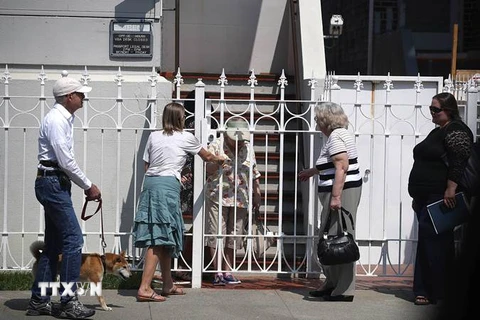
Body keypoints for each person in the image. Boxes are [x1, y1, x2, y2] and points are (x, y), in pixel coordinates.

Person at [133, 102, 227, 302]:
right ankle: (145, 288)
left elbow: (147, 164)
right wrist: (220, 159)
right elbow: (206, 156)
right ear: (180, 118)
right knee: (158, 238)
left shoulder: (154, 136)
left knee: (165, 237)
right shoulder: (186, 137)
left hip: (150, 182)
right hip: (167, 186)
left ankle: (167, 284)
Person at [27, 77, 101, 319]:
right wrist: (88, 185)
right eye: (80, 94)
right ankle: (68, 302)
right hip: (52, 181)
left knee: (54, 246)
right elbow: (65, 160)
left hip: (53, 181)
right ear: (69, 96)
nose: (83, 98)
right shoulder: (58, 120)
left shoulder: (62, 118)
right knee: (73, 240)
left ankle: (39, 301)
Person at [407, 92, 473, 307]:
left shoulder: (457, 130)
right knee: (434, 243)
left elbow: (459, 160)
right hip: (426, 196)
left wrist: (450, 189)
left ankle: (427, 290)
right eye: (431, 109)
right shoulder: (439, 131)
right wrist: (418, 196)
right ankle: (441, 290)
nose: (432, 113)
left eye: (436, 110)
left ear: (450, 111)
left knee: (432, 243)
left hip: (440, 197)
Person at [298, 102, 362, 302]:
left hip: (342, 192)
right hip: (341, 191)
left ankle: (343, 289)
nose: (316, 122)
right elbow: (332, 163)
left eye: (318, 119)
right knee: (331, 237)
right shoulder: (339, 135)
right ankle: (332, 283)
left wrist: (336, 197)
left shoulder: (335, 137)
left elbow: (341, 166)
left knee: (340, 239)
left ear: (325, 120)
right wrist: (312, 171)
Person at [204, 118, 261, 285]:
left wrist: (257, 193)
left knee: (234, 234)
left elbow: (254, 171)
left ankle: (228, 270)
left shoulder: (247, 148)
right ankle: (217, 272)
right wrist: (217, 162)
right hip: (217, 195)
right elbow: (206, 170)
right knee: (216, 232)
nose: (239, 143)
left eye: (241, 139)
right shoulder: (217, 145)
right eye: (236, 139)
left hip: (240, 197)